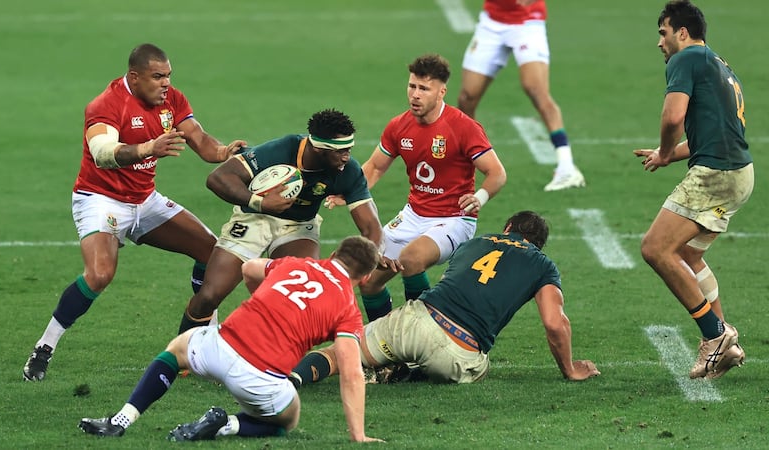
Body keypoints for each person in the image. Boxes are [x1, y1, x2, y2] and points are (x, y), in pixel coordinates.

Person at [22, 43, 247, 381]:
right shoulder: (106, 105)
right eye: (157, 77)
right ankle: (45, 347)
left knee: (212, 252)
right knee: (99, 274)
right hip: (101, 199)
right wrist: (148, 147)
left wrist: (223, 151)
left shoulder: (171, 100)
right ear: (135, 77)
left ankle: (200, 340)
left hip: (144, 199)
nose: (165, 83)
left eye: (168, 76)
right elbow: (102, 152)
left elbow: (198, 138)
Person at [78, 236, 384, 442]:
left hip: (219, 347)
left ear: (333, 256)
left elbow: (248, 268)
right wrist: (358, 435)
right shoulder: (347, 307)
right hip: (260, 380)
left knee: (176, 351)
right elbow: (352, 373)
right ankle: (225, 425)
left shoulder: (295, 264)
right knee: (287, 420)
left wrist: (264, 298)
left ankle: (121, 420)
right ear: (366, 277)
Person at [291, 211, 599, 385]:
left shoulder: (474, 243)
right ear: (537, 245)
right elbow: (555, 323)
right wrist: (569, 369)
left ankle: (292, 381)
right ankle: (411, 374)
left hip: (415, 320)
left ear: (507, 229)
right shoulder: (541, 263)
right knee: (479, 366)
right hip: (457, 353)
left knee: (335, 355)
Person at [176, 109, 394, 333]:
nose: (347, 157)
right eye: (340, 151)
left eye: (348, 149)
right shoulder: (282, 150)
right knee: (209, 296)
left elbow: (371, 225)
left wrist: (375, 252)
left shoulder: (348, 171)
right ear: (319, 148)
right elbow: (218, 178)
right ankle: (178, 356)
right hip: (254, 217)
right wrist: (260, 202)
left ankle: (271, 361)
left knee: (299, 304)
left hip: (298, 227)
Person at [633, 0, 753, 380]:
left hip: (716, 174)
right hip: (739, 172)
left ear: (682, 32)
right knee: (685, 253)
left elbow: (673, 118)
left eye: (663, 32)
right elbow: (716, 133)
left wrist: (667, 149)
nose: (660, 43)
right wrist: (669, 157)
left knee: (655, 248)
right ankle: (725, 344)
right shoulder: (719, 64)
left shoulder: (684, 60)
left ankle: (715, 336)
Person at [352, 53, 506, 322]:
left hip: (454, 219)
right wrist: (349, 191)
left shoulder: (463, 127)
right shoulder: (399, 126)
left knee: (411, 259)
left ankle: (422, 335)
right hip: (413, 216)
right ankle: (385, 346)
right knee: (368, 280)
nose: (415, 94)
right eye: (412, 86)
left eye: (424, 88)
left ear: (441, 91)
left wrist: (480, 197)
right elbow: (375, 167)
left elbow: (497, 172)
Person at [457, 0, 585, 192]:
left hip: (527, 23)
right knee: (467, 97)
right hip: (491, 23)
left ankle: (566, 167)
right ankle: (468, 160)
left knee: (535, 89)